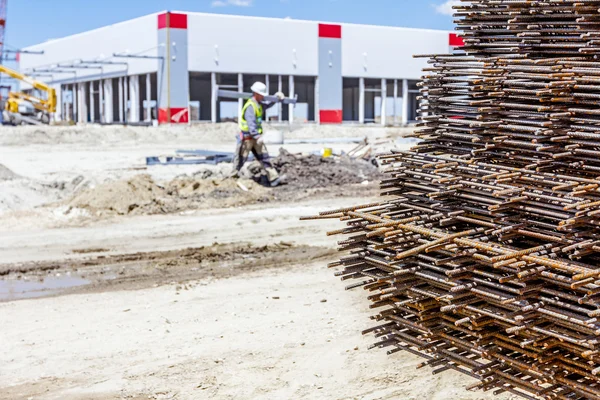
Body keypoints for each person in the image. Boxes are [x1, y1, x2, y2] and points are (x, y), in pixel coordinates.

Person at [231, 81, 285, 187]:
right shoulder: (250, 106)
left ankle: (273, 178)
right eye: (261, 95)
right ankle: (232, 179)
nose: (263, 97)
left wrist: (275, 98)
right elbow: (251, 124)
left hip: (256, 138)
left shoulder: (259, 105)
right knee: (240, 158)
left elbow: (267, 105)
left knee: (264, 158)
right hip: (247, 138)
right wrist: (256, 136)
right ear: (256, 93)